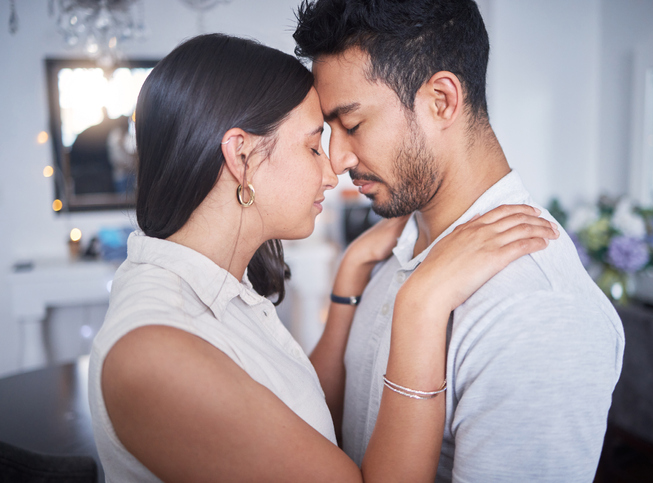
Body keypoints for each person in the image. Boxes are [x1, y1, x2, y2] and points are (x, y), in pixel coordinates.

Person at [87, 33, 558, 482]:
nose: (333, 169)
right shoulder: (158, 353)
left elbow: (303, 428)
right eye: (314, 144)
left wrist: (349, 279)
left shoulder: (218, 287)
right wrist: (421, 304)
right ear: (241, 154)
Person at [294, 1, 625, 481]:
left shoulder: (538, 310)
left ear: (442, 100)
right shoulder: (395, 246)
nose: (338, 158)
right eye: (330, 131)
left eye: (353, 124)